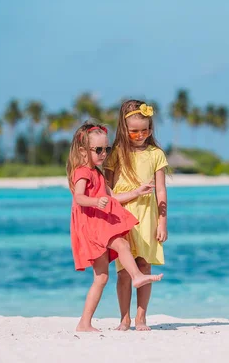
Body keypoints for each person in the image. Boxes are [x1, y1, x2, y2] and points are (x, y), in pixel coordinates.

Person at [67, 121, 163, 332]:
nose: (104, 154)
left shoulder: (98, 174)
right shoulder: (82, 172)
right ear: (83, 151)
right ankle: (137, 276)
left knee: (101, 278)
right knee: (121, 244)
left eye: (106, 149)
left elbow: (113, 197)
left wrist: (137, 192)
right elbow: (79, 197)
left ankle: (84, 323)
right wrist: (95, 202)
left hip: (98, 224)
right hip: (92, 226)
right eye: (98, 150)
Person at [104, 100, 169, 331]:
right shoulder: (116, 154)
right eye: (134, 131)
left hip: (148, 215)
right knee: (123, 271)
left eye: (145, 130)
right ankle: (125, 318)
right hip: (122, 216)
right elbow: (107, 189)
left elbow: (161, 190)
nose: (140, 135)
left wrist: (162, 221)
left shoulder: (156, 154)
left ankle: (141, 317)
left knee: (144, 266)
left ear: (150, 130)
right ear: (124, 129)